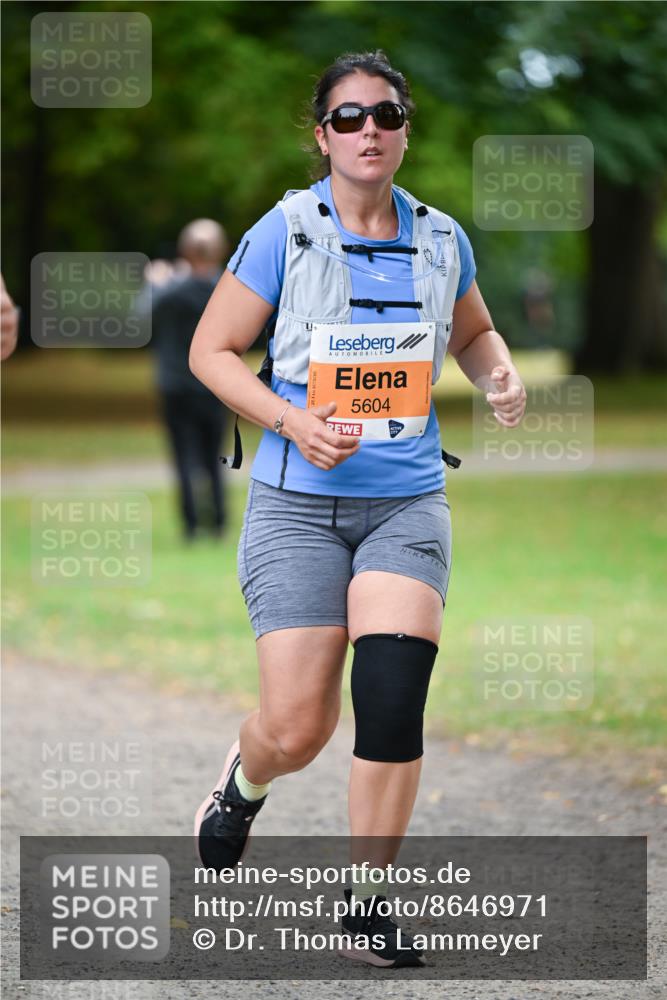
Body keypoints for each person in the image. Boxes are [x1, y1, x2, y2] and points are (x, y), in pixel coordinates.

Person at [190, 51, 526, 968]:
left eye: (384, 114)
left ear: (404, 128)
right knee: (299, 727)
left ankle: (366, 902)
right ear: (323, 136)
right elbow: (212, 352)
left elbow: (472, 331)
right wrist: (293, 419)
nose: (367, 130)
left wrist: (497, 373)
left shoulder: (440, 238)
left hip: (405, 503)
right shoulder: (285, 232)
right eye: (347, 118)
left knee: (389, 695)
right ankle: (241, 786)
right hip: (296, 509)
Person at [142, 219, 230, 541]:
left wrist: (156, 282)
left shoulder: (171, 289)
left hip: (175, 385)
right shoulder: (226, 288)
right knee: (213, 457)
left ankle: (192, 526)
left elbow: (140, 316)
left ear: (185, 251)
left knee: (183, 458)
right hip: (214, 384)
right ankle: (219, 522)